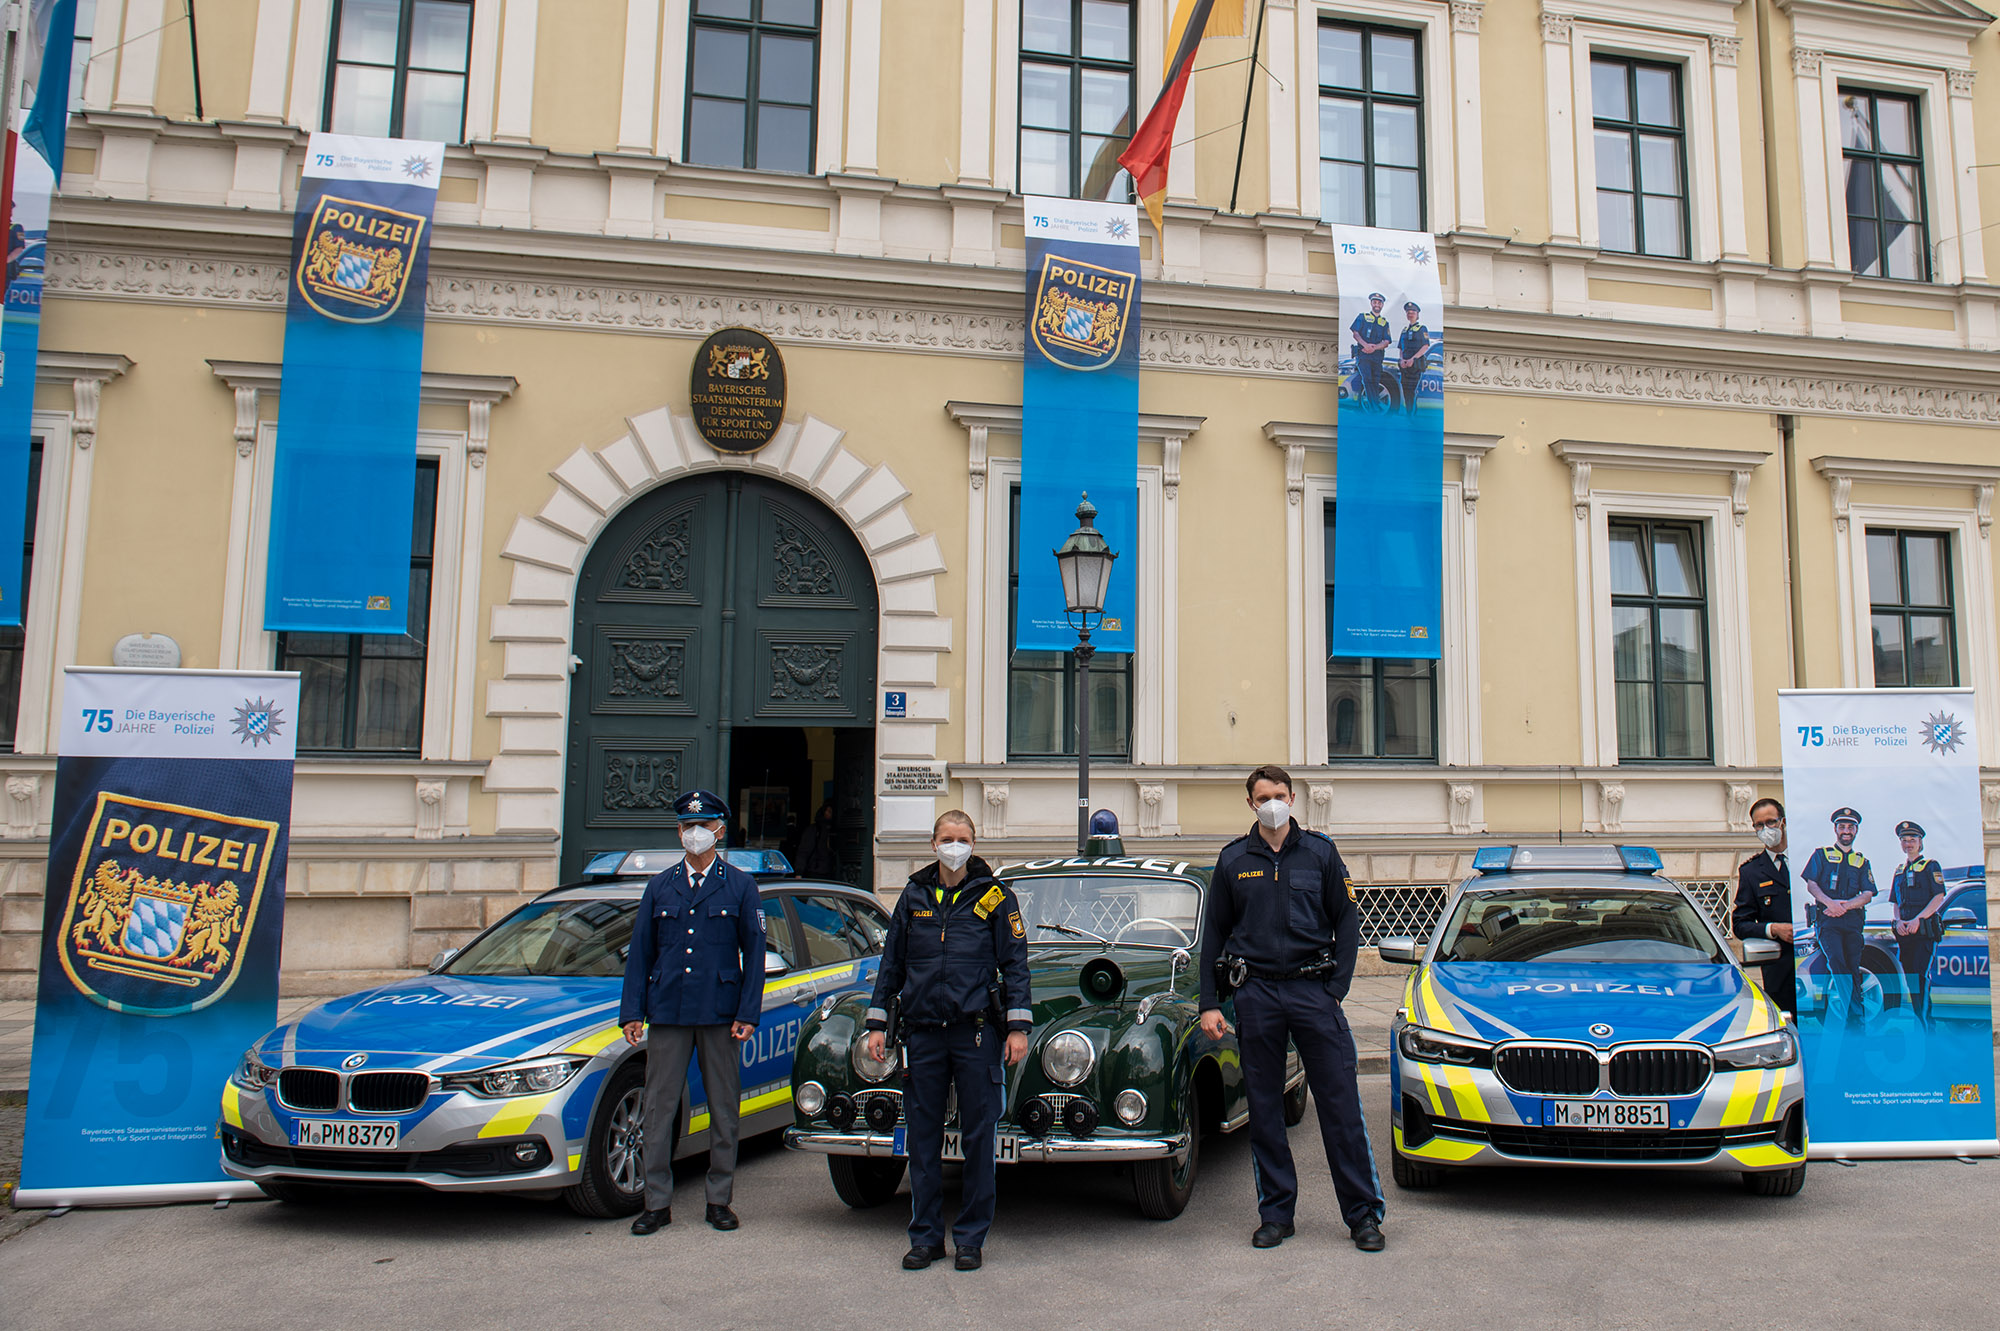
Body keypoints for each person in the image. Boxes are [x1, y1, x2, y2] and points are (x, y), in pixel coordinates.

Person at [1199, 764, 1385, 1252]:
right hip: (1256, 994)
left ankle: (1363, 1215)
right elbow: (1214, 934)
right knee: (1264, 1111)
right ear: (1250, 804)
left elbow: (1347, 922)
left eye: (1279, 795)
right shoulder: (1234, 859)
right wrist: (1210, 1002)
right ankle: (1276, 1214)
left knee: (1341, 1107)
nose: (1273, 804)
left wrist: (1335, 989)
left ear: (1293, 799)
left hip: (1312, 991)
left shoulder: (1320, 853)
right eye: (1263, 798)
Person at [862, 811, 1031, 1272]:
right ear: (933, 843)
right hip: (922, 1034)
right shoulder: (913, 895)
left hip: (975, 1032)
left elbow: (1015, 964)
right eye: (947, 838)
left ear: (974, 844)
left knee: (979, 1136)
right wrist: (877, 1024)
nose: (954, 846)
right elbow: (892, 964)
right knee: (922, 1140)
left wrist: (1018, 1027)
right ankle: (926, 1237)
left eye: (963, 839)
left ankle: (971, 1238)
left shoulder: (995, 896)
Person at [618, 789, 765, 1235]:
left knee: (723, 1109)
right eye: (687, 826)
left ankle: (719, 1199)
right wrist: (632, 1012)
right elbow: (640, 954)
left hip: (720, 1013)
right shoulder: (660, 886)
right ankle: (656, 1203)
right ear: (678, 832)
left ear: (720, 831)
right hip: (668, 1011)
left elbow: (755, 954)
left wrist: (748, 1013)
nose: (694, 833)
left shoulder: (740, 885)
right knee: (658, 1110)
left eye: (702, 826)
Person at [1800, 806, 1876, 1029]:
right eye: (1842, 826)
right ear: (1835, 829)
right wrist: (1830, 904)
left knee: (1852, 966)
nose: (1846, 831)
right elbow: (1812, 884)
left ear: (1856, 831)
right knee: (1837, 962)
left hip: (1852, 921)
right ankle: (1855, 1016)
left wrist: (1845, 906)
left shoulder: (1862, 861)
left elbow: (1868, 894)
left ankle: (1855, 1017)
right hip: (1827, 920)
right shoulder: (1821, 855)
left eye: (1850, 827)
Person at [1733, 798, 1795, 1017]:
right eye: (1759, 825)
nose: (1766, 829)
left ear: (1783, 822)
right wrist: (1773, 929)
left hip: (1816, 967)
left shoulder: (1808, 860)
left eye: (1771, 822)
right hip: (1780, 972)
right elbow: (1740, 924)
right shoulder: (1751, 871)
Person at [1889, 820, 1947, 1024]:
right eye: (1904, 840)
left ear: (1920, 842)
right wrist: (1898, 921)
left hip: (1923, 933)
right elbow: (1896, 902)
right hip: (1905, 934)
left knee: (1920, 978)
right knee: (1911, 981)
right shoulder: (1899, 870)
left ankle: (1923, 1026)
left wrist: (1918, 920)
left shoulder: (1931, 866)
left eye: (1912, 840)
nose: (1908, 844)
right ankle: (1923, 1023)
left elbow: (1938, 896)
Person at [1348, 293, 1392, 410]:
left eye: (1379, 303)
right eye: (1375, 302)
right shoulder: (1362, 317)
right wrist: (1366, 345)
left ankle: (1374, 404)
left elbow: (1386, 341)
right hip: (1363, 355)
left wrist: (1374, 347)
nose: (1377, 304)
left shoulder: (1384, 322)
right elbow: (1355, 334)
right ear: (1371, 303)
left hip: (1377, 356)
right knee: (1367, 379)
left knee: (1375, 381)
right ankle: (1373, 406)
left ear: (1382, 305)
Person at [1395, 301, 1434, 416]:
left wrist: (1412, 359)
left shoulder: (1422, 328)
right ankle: (1409, 413)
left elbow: (1425, 346)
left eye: (1413, 312)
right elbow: (1401, 348)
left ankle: (1412, 414)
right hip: (1405, 366)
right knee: (1406, 391)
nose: (1410, 314)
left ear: (1417, 315)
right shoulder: (1404, 330)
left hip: (1415, 365)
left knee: (1412, 390)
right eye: (1408, 312)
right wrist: (1402, 360)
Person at [797, 800, 839, 879]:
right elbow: (803, 852)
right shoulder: (814, 830)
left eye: (831, 811)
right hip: (816, 872)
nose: (828, 813)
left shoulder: (836, 830)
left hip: (832, 872)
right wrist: (799, 872)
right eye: (827, 811)